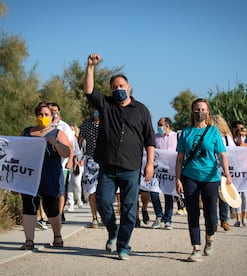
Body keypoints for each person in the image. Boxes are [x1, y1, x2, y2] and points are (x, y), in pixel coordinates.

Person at [84, 53, 155, 260]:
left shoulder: (141, 110)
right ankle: (112, 231)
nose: (118, 89)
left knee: (128, 209)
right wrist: (90, 67)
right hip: (107, 167)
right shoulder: (106, 105)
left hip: (131, 168)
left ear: (129, 87)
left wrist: (149, 164)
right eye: (114, 87)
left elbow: (150, 140)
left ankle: (123, 246)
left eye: (121, 86)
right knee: (104, 203)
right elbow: (88, 90)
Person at [175, 98, 232, 262]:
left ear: (208, 112)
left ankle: (210, 238)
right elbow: (179, 159)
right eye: (197, 109)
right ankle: (196, 249)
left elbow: (222, 155)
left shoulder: (214, 132)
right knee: (193, 213)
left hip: (211, 177)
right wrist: (178, 179)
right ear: (192, 112)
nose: (200, 112)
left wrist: (227, 174)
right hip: (190, 176)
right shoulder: (185, 132)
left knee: (211, 215)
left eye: (203, 109)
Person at [18, 102, 71, 250]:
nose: (43, 117)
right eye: (41, 114)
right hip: (29, 176)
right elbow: (17, 153)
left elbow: (67, 153)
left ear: (51, 116)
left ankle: (57, 236)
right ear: (36, 115)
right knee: (29, 206)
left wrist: (55, 143)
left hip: (50, 176)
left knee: (52, 208)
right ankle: (29, 240)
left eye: (46, 114)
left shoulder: (57, 133)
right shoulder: (27, 132)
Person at [150, 117, 178, 230]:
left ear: (167, 126)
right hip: (157, 171)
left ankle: (168, 220)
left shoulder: (176, 136)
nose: (159, 127)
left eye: (160, 125)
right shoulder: (155, 137)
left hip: (170, 171)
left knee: (168, 195)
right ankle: (158, 216)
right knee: (153, 193)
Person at [212, 114, 236, 231]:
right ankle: (219, 221)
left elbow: (232, 154)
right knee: (217, 197)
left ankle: (222, 220)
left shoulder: (227, 138)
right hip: (212, 170)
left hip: (222, 171)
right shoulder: (226, 138)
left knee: (222, 196)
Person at [79, 108, 102, 228]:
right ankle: (94, 218)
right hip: (90, 160)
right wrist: (78, 158)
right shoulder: (86, 123)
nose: (96, 112)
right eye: (94, 109)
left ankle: (104, 215)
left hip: (106, 160)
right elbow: (80, 140)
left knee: (103, 190)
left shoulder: (108, 122)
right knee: (91, 189)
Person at [66, 124, 84, 212]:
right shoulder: (67, 139)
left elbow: (84, 152)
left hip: (79, 165)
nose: (71, 131)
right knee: (69, 184)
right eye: (70, 129)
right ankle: (70, 204)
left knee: (77, 183)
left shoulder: (80, 140)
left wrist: (80, 161)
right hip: (68, 164)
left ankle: (79, 199)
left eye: (73, 129)